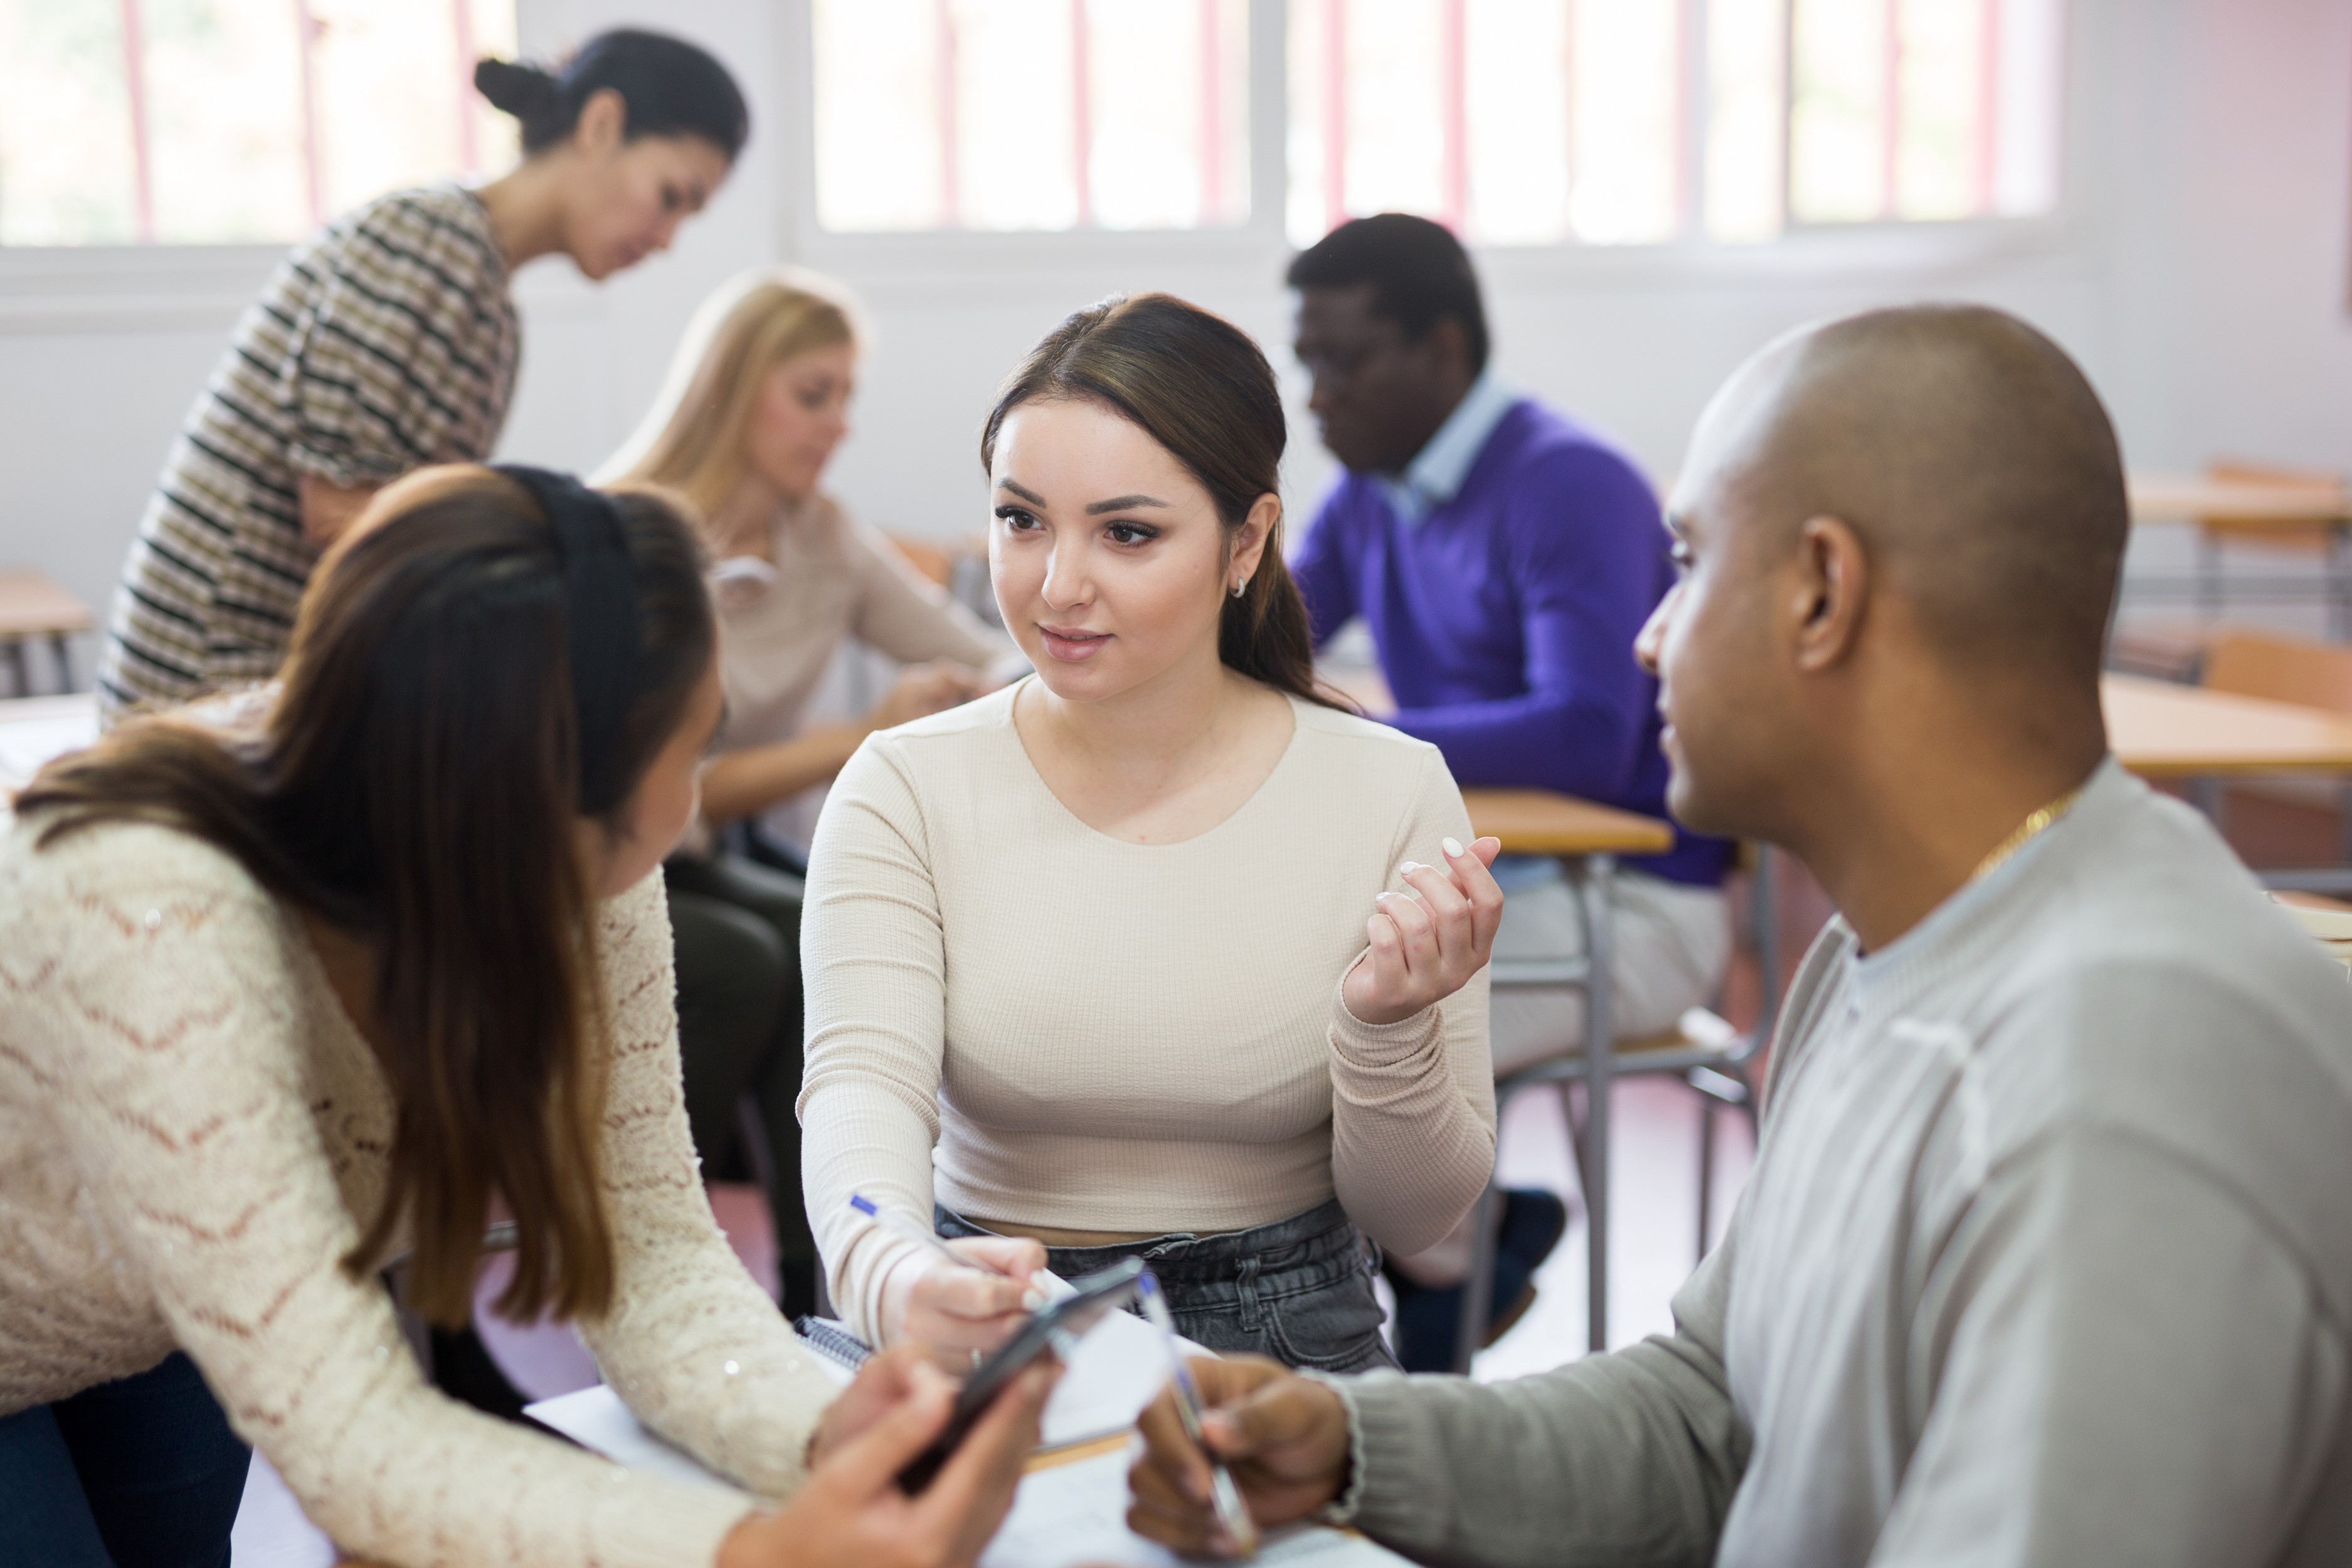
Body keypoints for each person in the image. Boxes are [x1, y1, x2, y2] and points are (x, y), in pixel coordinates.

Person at [1123, 304, 2352, 1566]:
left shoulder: (2127, 1079)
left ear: (1823, 593)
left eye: (1692, 563)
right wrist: (1351, 1442)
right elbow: (1715, 1413)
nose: (1651, 637)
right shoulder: (1875, 957)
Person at [1, 467, 1056, 1568]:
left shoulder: (582, 861)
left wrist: (821, 1431)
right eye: (692, 750)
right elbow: (356, 1446)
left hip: (137, 1306)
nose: (699, 799)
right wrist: (761, 1550)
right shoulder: (151, 909)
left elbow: (646, 1254)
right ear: (548, 780)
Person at [798, 294, 1503, 1374]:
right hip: (986, 1308)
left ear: (1247, 540)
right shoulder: (906, 785)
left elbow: (1414, 1216)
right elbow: (859, 1093)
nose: (1057, 586)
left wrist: (1386, 1027)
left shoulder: (1388, 790)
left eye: (1127, 533)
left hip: (1289, 1340)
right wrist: (893, 1272)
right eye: (1020, 520)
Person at [1284, 214, 1738, 1365]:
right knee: (1290, 1005)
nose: (1319, 397)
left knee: (1332, 1050)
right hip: (1494, 890)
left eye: (1346, 361)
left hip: (1630, 906)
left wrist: (1365, 733)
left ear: (1442, 348)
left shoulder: (1566, 481)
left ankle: (1447, 1283)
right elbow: (1270, 649)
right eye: (1309, 364)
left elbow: (1590, 733)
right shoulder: (1374, 490)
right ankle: (1477, 1246)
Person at [95, 28, 748, 719]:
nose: (668, 239)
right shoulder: (433, 245)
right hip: (201, 698)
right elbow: (341, 513)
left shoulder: (480, 285)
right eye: (672, 196)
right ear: (602, 123)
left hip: (252, 687)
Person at [603, 267, 1011, 1316]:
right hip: (603, 856)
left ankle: (813, 1283)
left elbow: (982, 652)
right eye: (812, 394)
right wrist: (864, 735)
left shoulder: (820, 533)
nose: (838, 425)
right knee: (753, 955)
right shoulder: (632, 537)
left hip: (709, 857)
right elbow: (666, 793)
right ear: (737, 389)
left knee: (822, 930)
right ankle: (650, 1244)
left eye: (846, 396)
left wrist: (1019, 666)